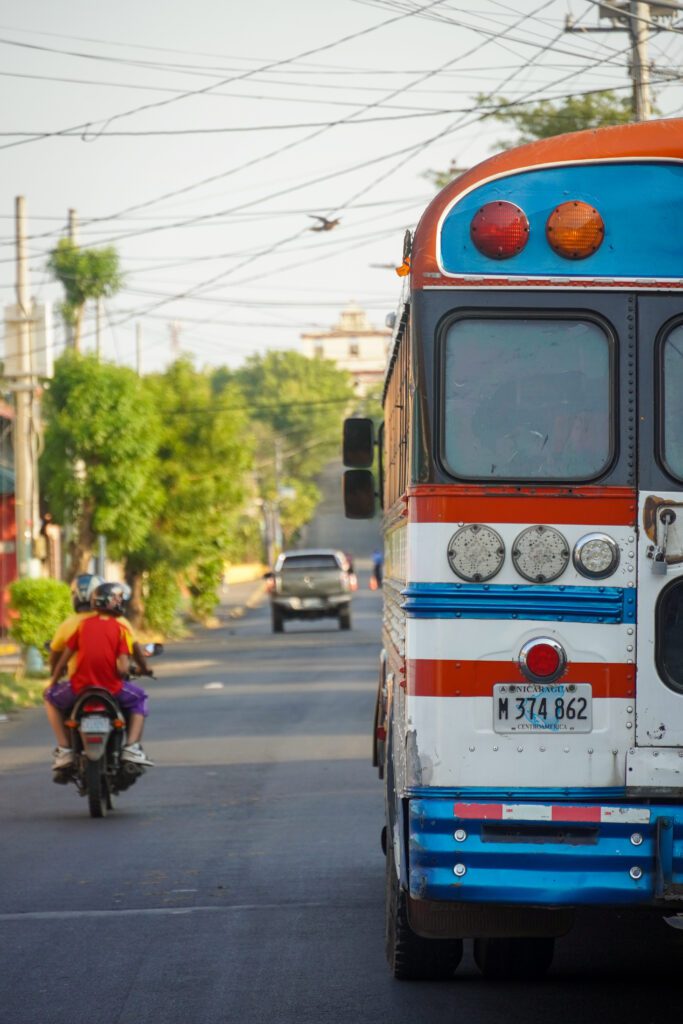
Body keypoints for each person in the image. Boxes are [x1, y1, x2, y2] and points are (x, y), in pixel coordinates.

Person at [44, 582, 154, 771]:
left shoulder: (82, 626)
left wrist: (52, 683)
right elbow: (122, 668)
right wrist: (135, 670)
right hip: (112, 688)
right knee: (140, 698)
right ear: (115, 603)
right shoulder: (121, 628)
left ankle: (64, 749)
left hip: (78, 688)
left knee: (50, 698)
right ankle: (132, 747)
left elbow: (63, 660)